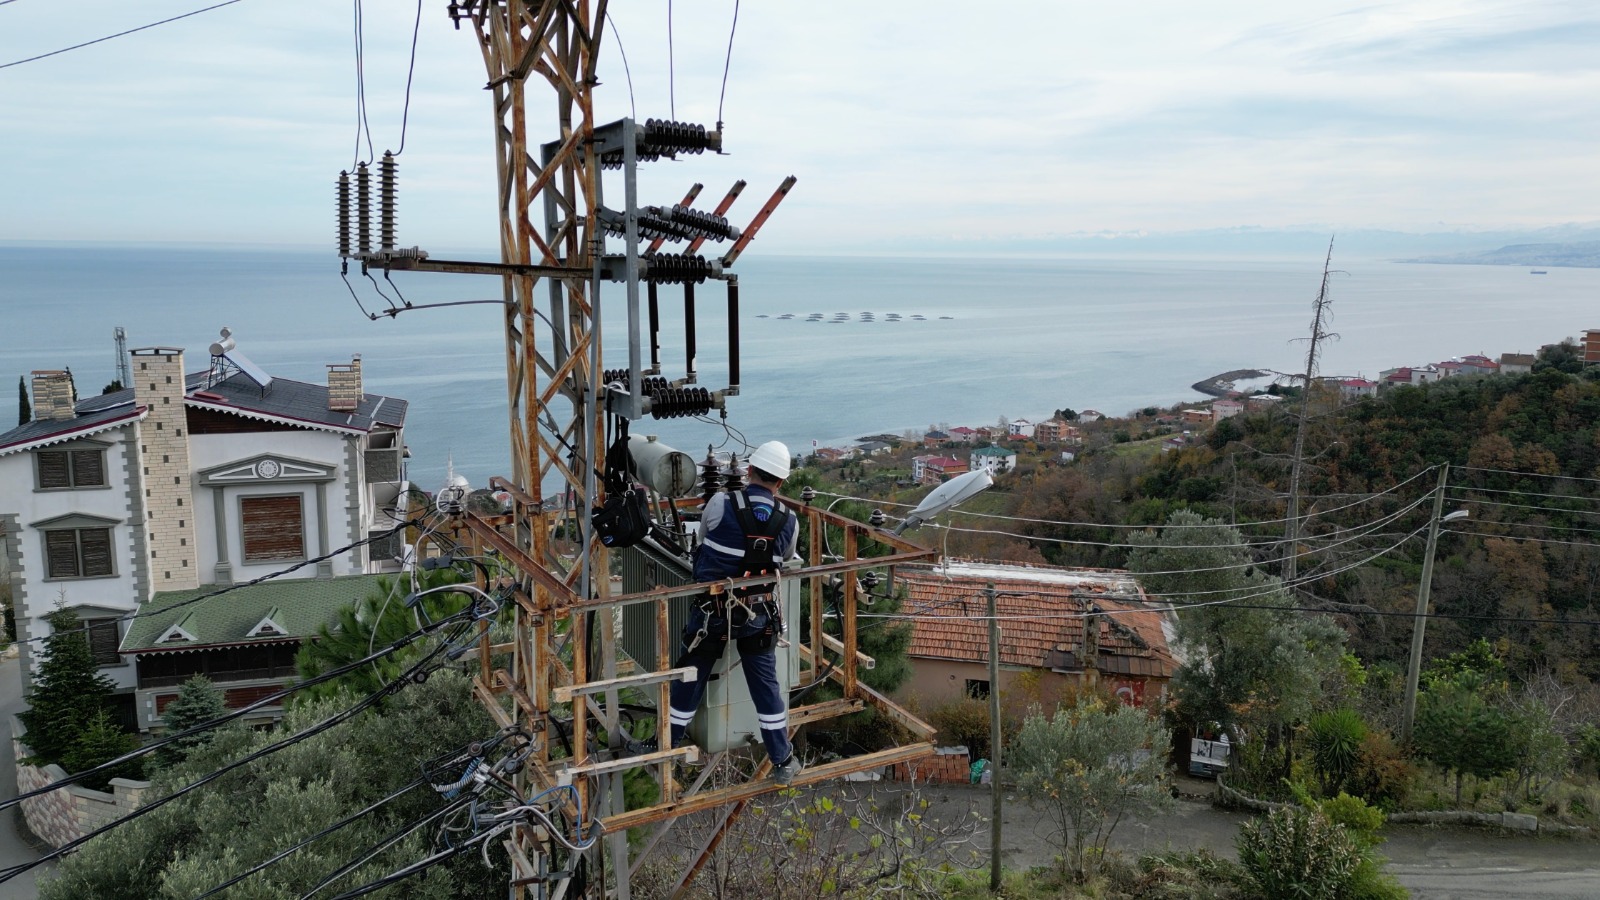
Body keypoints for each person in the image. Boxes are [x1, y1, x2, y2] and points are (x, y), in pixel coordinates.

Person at [662, 440, 803, 785]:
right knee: (766, 687)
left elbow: (703, 540)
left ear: (749, 471)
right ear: (780, 482)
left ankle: (665, 745)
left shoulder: (720, 503)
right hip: (759, 615)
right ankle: (782, 759)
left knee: (690, 674)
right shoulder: (789, 520)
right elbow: (786, 558)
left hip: (712, 614)